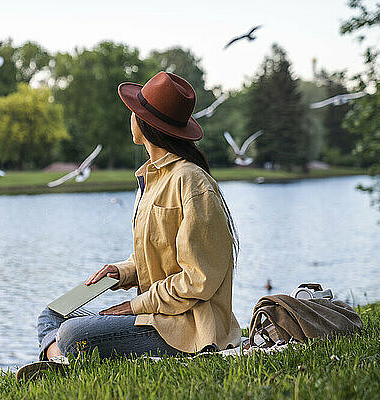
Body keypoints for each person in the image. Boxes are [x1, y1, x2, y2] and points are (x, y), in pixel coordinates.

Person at [20, 71, 242, 380]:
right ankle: (61, 364)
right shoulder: (154, 178)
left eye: (134, 110)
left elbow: (198, 280)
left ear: (147, 123)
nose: (130, 116)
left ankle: (60, 363)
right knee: (53, 313)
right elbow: (160, 257)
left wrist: (136, 305)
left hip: (185, 329)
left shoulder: (191, 181)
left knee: (70, 333)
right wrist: (122, 272)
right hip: (156, 316)